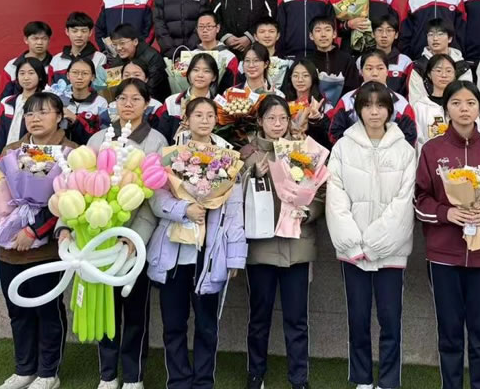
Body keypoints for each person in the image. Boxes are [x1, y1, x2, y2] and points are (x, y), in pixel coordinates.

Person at [414, 80, 480, 389]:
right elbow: (420, 198)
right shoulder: (432, 150)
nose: (464, 109)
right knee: (450, 332)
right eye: (456, 103)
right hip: (444, 255)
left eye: (470, 103)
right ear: (446, 109)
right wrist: (447, 213)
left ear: (479, 108)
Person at [68, 78, 167, 389]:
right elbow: (77, 187)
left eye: (136, 99)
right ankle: (107, 375)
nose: (128, 104)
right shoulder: (98, 139)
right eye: (123, 98)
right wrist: (71, 229)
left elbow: (154, 200)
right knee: (104, 307)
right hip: (98, 242)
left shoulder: (156, 141)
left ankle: (134, 376)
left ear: (147, 104)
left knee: (135, 313)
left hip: (133, 243)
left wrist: (134, 239)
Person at [146, 96, 247, 389]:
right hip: (174, 253)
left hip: (209, 253)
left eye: (210, 115)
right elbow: (156, 198)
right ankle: (178, 381)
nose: (204, 120)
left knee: (206, 325)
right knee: (173, 324)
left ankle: (203, 382)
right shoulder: (170, 155)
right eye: (198, 115)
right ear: (186, 119)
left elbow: (235, 212)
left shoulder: (228, 158)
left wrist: (235, 257)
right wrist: (184, 209)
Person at [0, 92, 77, 389]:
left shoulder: (71, 153)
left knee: (47, 310)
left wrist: (34, 231)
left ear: (59, 116)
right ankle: (24, 368)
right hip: (9, 247)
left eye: (43, 112)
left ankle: (48, 372)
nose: (35, 119)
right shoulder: (12, 150)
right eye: (30, 113)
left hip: (46, 250)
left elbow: (69, 201)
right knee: (18, 311)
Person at [326, 82, 416, 389]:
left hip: (391, 251)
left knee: (391, 320)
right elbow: (336, 199)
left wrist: (375, 242)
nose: (374, 112)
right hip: (353, 251)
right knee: (358, 318)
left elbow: (404, 203)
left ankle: (389, 381)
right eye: (367, 105)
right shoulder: (342, 148)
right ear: (358, 110)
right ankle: (362, 379)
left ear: (390, 110)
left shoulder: (405, 150)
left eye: (380, 106)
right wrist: (354, 243)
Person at [240, 96, 323, 389]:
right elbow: (231, 196)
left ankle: (299, 378)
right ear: (259, 121)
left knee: (297, 318)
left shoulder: (303, 150)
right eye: (271, 118)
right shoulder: (248, 153)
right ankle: (255, 374)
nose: (277, 124)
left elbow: (320, 193)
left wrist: (308, 212)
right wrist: (253, 174)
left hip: (297, 245)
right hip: (261, 248)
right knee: (259, 317)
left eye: (283, 118)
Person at [329, 50, 417, 146]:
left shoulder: (401, 104)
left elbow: (410, 137)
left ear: (387, 71)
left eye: (380, 68)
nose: (375, 73)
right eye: (369, 68)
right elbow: (335, 133)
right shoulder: (347, 101)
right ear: (361, 72)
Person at [155, 53, 219, 143]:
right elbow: (161, 137)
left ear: (214, 77)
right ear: (188, 74)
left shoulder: (219, 105)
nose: (200, 75)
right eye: (195, 70)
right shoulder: (172, 102)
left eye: (206, 71)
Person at [0, 57, 48, 153]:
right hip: (7, 155)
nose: (26, 77)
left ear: (40, 76)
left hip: (35, 155)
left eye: (31, 73)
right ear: (17, 77)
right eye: (22, 73)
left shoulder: (47, 103)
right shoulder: (6, 102)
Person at [306, 14, 361, 105]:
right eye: (318, 31)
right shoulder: (307, 62)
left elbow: (352, 89)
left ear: (334, 34)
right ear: (311, 36)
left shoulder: (346, 59)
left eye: (327, 30)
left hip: (342, 108)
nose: (323, 35)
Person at [108, 23, 169, 101]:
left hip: (153, 100)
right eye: (114, 45)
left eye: (122, 43)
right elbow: (114, 87)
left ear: (135, 41)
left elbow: (153, 87)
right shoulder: (117, 59)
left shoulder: (153, 57)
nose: (118, 48)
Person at [356, 12, 412, 95]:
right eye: (379, 30)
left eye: (389, 30)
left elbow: (407, 92)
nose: (384, 35)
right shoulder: (362, 60)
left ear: (396, 35)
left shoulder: (405, 62)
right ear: (373, 34)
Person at [280, 59, 332, 148]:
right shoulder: (283, 104)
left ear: (313, 78)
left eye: (305, 75)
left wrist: (317, 121)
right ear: (290, 78)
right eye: (295, 76)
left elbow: (330, 138)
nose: (300, 80)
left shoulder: (324, 106)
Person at [411, 53, 458, 151]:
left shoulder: (463, 104)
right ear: (429, 74)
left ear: (454, 75)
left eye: (449, 71)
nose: (444, 75)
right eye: (438, 71)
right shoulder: (419, 106)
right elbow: (418, 141)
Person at [0, 21, 53, 102]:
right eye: (35, 38)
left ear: (49, 40)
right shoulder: (12, 66)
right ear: (26, 40)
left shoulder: (56, 65)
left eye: (44, 38)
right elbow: (3, 98)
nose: (39, 42)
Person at [49, 11, 107, 84]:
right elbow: (50, 87)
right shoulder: (56, 60)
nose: (79, 35)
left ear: (90, 32)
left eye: (83, 31)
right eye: (74, 31)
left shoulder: (100, 58)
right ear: (67, 31)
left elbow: (102, 86)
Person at [62, 58, 110, 145]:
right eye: (75, 72)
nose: (79, 77)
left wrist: (75, 119)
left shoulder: (101, 103)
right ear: (68, 75)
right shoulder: (59, 99)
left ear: (93, 77)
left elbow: (102, 136)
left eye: (85, 73)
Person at [410, 18, 471, 82]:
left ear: (450, 38)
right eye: (431, 34)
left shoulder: (462, 66)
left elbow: (466, 88)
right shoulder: (419, 67)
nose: (435, 38)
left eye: (440, 34)